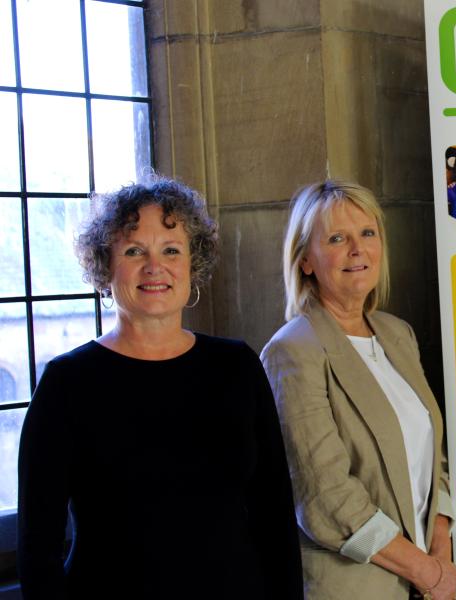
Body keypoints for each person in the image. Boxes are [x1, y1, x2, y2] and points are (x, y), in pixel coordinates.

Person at [16, 177, 302, 600]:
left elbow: (274, 513)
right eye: (134, 251)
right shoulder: (67, 383)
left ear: (193, 264)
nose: (156, 267)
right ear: (104, 266)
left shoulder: (236, 366)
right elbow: (38, 549)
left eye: (171, 250)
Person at [261, 180, 456, 600]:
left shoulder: (396, 334)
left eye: (367, 233)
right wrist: (425, 570)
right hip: (353, 585)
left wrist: (441, 544)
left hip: (427, 577)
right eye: (336, 238)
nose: (357, 249)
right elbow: (324, 496)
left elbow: (433, 455)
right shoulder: (292, 351)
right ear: (306, 262)